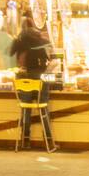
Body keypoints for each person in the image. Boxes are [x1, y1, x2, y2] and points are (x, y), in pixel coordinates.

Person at [9, 14, 56, 150]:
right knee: (43, 107)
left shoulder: (19, 39)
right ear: (34, 26)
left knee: (26, 109)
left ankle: (25, 140)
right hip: (41, 76)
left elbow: (11, 53)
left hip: (23, 76)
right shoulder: (41, 39)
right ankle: (48, 140)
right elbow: (53, 58)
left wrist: (17, 42)